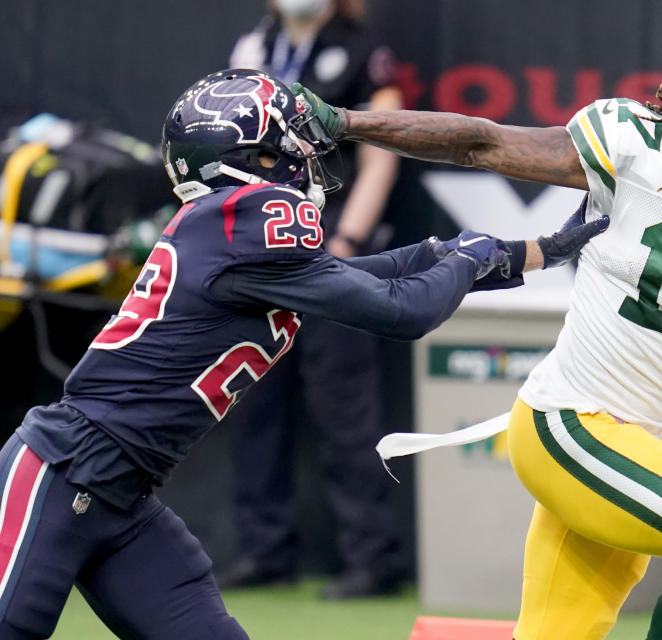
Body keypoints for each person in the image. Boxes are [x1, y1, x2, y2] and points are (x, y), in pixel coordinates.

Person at [0, 68, 607, 639]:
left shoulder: (229, 232)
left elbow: (381, 274)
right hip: (63, 469)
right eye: (286, 147)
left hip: (123, 494)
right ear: (250, 160)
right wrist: (470, 256)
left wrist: (538, 250)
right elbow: (404, 311)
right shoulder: (246, 219)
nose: (305, 159)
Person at [299, 23, 662, 640]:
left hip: (640, 440)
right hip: (567, 422)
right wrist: (346, 122)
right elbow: (480, 144)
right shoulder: (634, 145)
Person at [222, 0, 408, 598]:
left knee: (344, 408)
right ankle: (263, 549)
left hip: (331, 250)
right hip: (256, 252)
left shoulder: (362, 51)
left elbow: (381, 152)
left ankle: (373, 557)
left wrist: (348, 242)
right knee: (250, 402)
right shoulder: (253, 49)